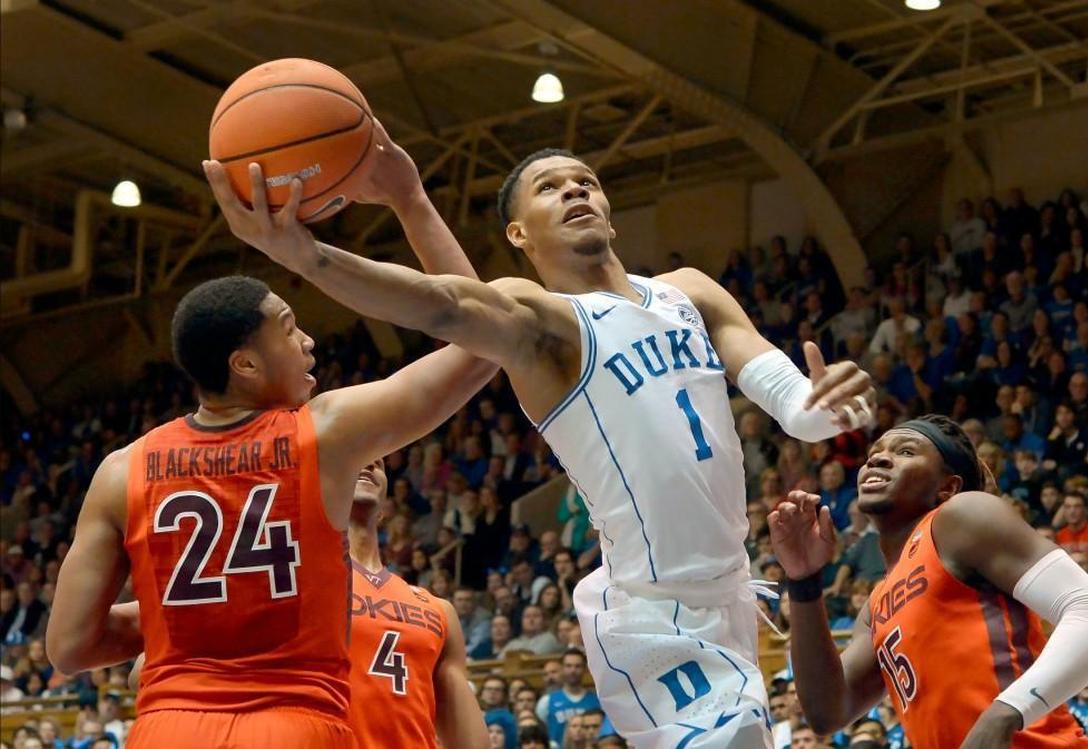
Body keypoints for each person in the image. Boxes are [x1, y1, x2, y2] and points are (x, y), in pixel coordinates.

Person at [204, 123, 877, 747]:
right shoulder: (546, 327)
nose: (574, 189)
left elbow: (791, 397)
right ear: (520, 235)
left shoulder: (688, 292)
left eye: (584, 179)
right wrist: (307, 253)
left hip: (732, 590)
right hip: (650, 616)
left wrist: (824, 410)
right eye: (549, 187)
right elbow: (444, 302)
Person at [46, 223, 497, 743]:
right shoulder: (323, 435)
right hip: (291, 722)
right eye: (288, 328)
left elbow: (70, 647)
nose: (307, 341)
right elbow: (483, 337)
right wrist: (408, 198)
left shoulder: (121, 469)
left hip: (166, 728)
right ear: (245, 364)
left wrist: (197, 611)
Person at [769, 414, 1088, 748]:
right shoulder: (876, 602)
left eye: (905, 451)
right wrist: (803, 581)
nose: (876, 460)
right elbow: (827, 712)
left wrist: (1005, 713)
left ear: (948, 486)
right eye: (873, 454)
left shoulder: (960, 515)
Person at [347, 459, 489, 748]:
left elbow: (470, 742)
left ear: (386, 508)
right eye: (352, 454)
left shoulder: (437, 609)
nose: (369, 460)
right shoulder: (302, 588)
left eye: (378, 459)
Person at [535, 649, 601, 746]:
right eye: (568, 666)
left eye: (577, 666)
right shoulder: (546, 701)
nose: (573, 670)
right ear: (562, 668)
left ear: (585, 669)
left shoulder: (597, 701)